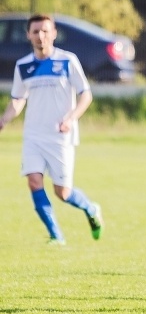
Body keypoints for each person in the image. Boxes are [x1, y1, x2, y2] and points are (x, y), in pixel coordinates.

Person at [0, 14, 103, 245]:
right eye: (36, 31)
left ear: (54, 33)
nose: (41, 36)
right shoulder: (23, 66)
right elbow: (18, 99)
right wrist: (4, 119)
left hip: (60, 136)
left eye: (45, 31)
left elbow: (86, 94)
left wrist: (71, 118)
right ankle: (57, 236)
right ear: (28, 35)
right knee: (34, 181)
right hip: (33, 136)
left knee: (62, 193)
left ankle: (91, 208)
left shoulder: (68, 61)